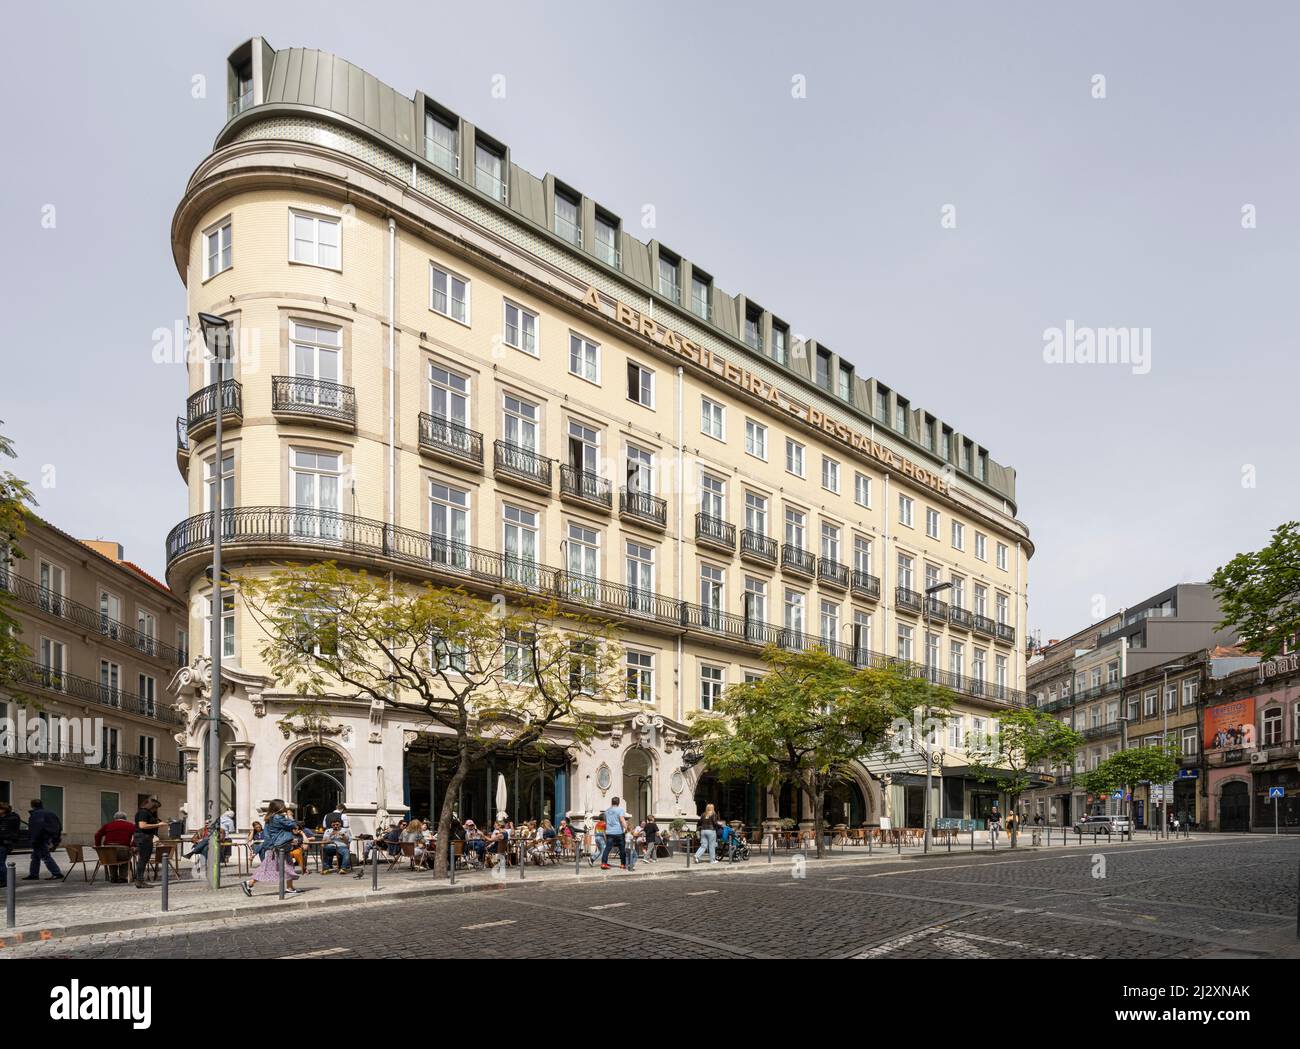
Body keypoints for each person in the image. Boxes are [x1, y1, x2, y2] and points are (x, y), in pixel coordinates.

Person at [242, 800, 302, 896]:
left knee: (288, 865)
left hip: (277, 846)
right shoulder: (278, 818)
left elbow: (267, 834)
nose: (285, 808)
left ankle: (290, 887)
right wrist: (290, 816)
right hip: (279, 847)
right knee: (268, 867)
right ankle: (249, 883)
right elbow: (293, 825)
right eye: (283, 806)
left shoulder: (270, 818)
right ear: (279, 807)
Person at [23, 799, 63, 880]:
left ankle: (57, 873)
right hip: (45, 838)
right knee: (35, 857)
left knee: (45, 857)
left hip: (39, 839)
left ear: (32, 805)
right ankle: (33, 874)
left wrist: (34, 839)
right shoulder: (50, 813)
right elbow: (58, 826)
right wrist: (55, 840)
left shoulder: (35, 815)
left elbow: (35, 829)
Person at [131, 797, 166, 888]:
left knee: (143, 859)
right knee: (143, 859)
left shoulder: (146, 813)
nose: (156, 810)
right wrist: (158, 825)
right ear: (151, 806)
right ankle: (140, 881)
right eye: (155, 807)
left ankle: (140, 880)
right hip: (144, 838)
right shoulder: (143, 812)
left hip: (144, 838)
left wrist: (157, 822)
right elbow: (142, 826)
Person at [93, 810, 136, 883]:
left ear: (114, 818)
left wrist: (98, 846)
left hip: (108, 850)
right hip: (123, 849)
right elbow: (137, 836)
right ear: (125, 818)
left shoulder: (107, 825)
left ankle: (113, 877)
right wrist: (132, 845)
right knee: (125, 860)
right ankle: (122, 878)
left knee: (111, 859)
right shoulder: (131, 825)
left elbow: (97, 835)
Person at [600, 796, 628, 870]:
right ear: (618, 802)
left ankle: (603, 863)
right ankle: (622, 864)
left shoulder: (606, 811)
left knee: (607, 848)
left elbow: (606, 822)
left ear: (611, 802)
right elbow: (622, 820)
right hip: (619, 832)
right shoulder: (620, 810)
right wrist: (626, 828)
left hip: (609, 832)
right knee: (622, 849)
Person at [0, 802, 20, 888]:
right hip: (5, 842)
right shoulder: (9, 818)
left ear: (3, 810)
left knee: (0, 863)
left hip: (3, 843)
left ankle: (4, 881)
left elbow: (5, 832)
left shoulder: (8, 820)